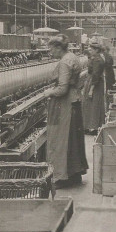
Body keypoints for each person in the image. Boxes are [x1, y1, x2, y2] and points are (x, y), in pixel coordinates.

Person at [43, 35, 89, 188]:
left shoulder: (64, 62)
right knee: (73, 141)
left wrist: (48, 92)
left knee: (61, 141)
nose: (50, 52)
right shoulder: (73, 57)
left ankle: (61, 178)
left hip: (65, 105)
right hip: (75, 101)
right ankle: (75, 175)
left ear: (58, 47)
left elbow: (62, 89)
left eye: (51, 49)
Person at [82, 42, 106, 133]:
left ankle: (92, 127)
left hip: (94, 84)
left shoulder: (97, 60)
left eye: (91, 49)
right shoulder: (98, 58)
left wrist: (91, 89)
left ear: (96, 50)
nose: (90, 51)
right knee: (95, 105)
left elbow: (95, 75)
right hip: (96, 83)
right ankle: (94, 126)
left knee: (92, 105)